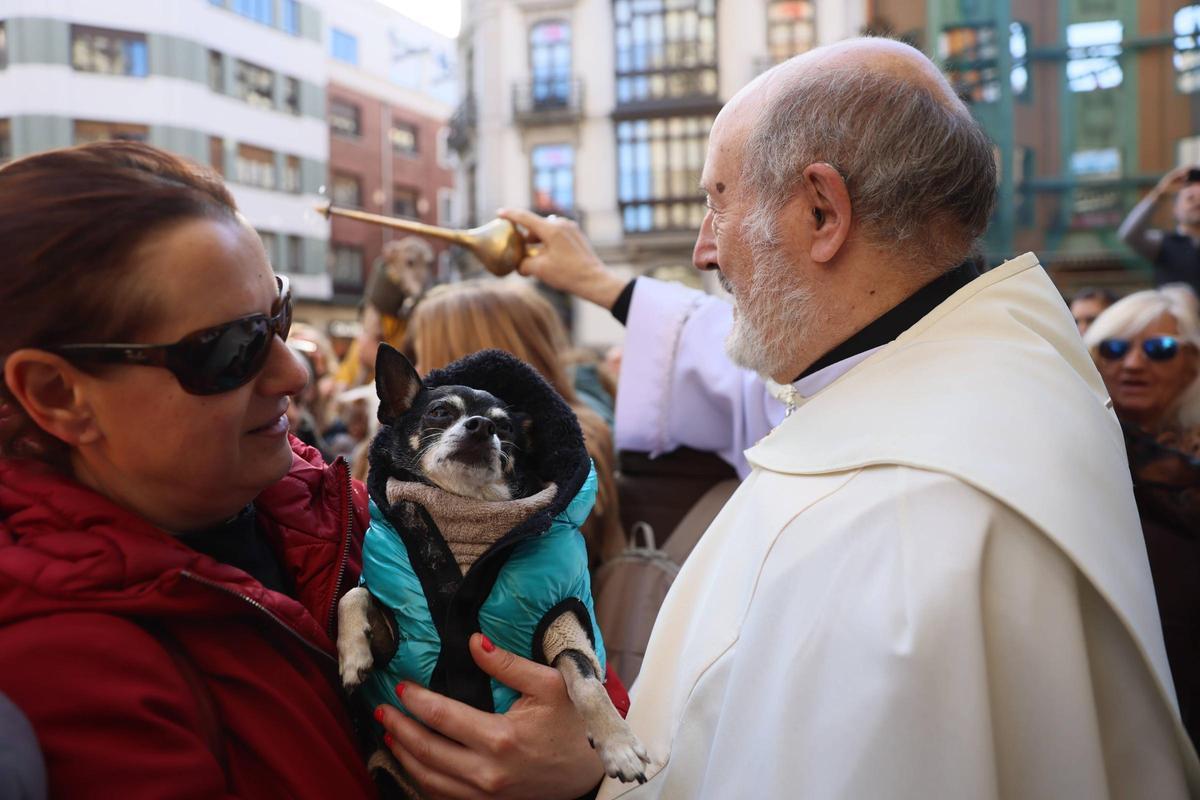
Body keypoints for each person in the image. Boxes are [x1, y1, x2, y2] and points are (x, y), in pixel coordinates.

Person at [373, 38, 1200, 798]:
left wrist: (591, 776)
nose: (704, 249)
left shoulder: (903, 512)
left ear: (821, 214)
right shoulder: (989, 395)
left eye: (719, 201)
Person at [404, 278, 625, 566]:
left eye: (419, 355)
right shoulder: (583, 439)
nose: (416, 369)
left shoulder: (562, 463)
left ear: (464, 361)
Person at [1084, 286, 1200, 746]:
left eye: (1160, 349)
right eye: (1114, 349)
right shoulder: (1074, 453)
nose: (1133, 364)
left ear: (1192, 362)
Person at [1119, 164, 1200, 295]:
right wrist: (1160, 192)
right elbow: (1129, 234)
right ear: (1175, 209)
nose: (1197, 203)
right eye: (1190, 198)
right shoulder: (1163, 243)